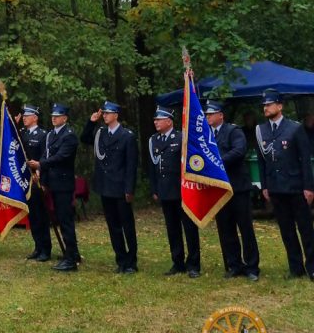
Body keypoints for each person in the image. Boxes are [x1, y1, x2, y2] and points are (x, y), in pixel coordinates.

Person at [256, 89, 314, 280]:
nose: (266, 107)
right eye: (264, 105)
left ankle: (312, 267)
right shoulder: (261, 130)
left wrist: (308, 187)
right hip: (276, 187)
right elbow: (261, 161)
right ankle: (295, 268)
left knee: (306, 229)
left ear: (280, 106)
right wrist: (265, 186)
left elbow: (305, 159)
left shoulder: (295, 128)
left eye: (269, 104)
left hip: (296, 186)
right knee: (286, 230)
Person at [205, 100, 260, 281]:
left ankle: (252, 267)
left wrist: (217, 163)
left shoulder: (233, 131)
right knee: (225, 228)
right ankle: (234, 264)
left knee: (245, 228)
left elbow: (239, 151)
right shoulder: (206, 136)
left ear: (221, 115)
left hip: (237, 187)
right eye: (207, 114)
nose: (208, 117)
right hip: (219, 189)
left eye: (211, 114)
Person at [81, 100, 138, 273]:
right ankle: (120, 259)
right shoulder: (100, 133)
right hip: (106, 187)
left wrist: (129, 189)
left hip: (120, 188)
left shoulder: (127, 136)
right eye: (103, 113)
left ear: (116, 115)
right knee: (113, 225)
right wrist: (91, 122)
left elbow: (131, 165)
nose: (104, 115)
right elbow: (84, 138)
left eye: (107, 113)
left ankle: (131, 261)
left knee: (127, 225)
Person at [148, 106, 200, 278]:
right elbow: (153, 167)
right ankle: (177, 262)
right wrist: (154, 188)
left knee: (189, 228)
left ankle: (193, 264)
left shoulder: (181, 138)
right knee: (172, 228)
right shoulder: (154, 140)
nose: (156, 122)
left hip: (181, 191)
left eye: (159, 119)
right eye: (155, 119)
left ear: (169, 121)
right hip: (164, 190)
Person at [37, 104, 81, 273]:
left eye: (58, 115)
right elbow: (46, 154)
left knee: (65, 220)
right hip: (53, 182)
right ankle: (72, 253)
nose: (54, 118)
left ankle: (70, 259)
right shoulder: (50, 135)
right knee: (60, 219)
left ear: (65, 118)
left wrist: (41, 164)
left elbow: (61, 157)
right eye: (53, 115)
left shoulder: (69, 136)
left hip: (63, 183)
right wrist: (40, 170)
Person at [18, 105, 51, 263]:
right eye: (24, 115)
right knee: (32, 216)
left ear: (35, 117)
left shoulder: (43, 135)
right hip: (24, 180)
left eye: (28, 115)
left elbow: (46, 156)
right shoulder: (21, 133)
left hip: (37, 179)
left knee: (41, 215)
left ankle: (46, 248)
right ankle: (38, 247)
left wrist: (39, 171)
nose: (24, 117)